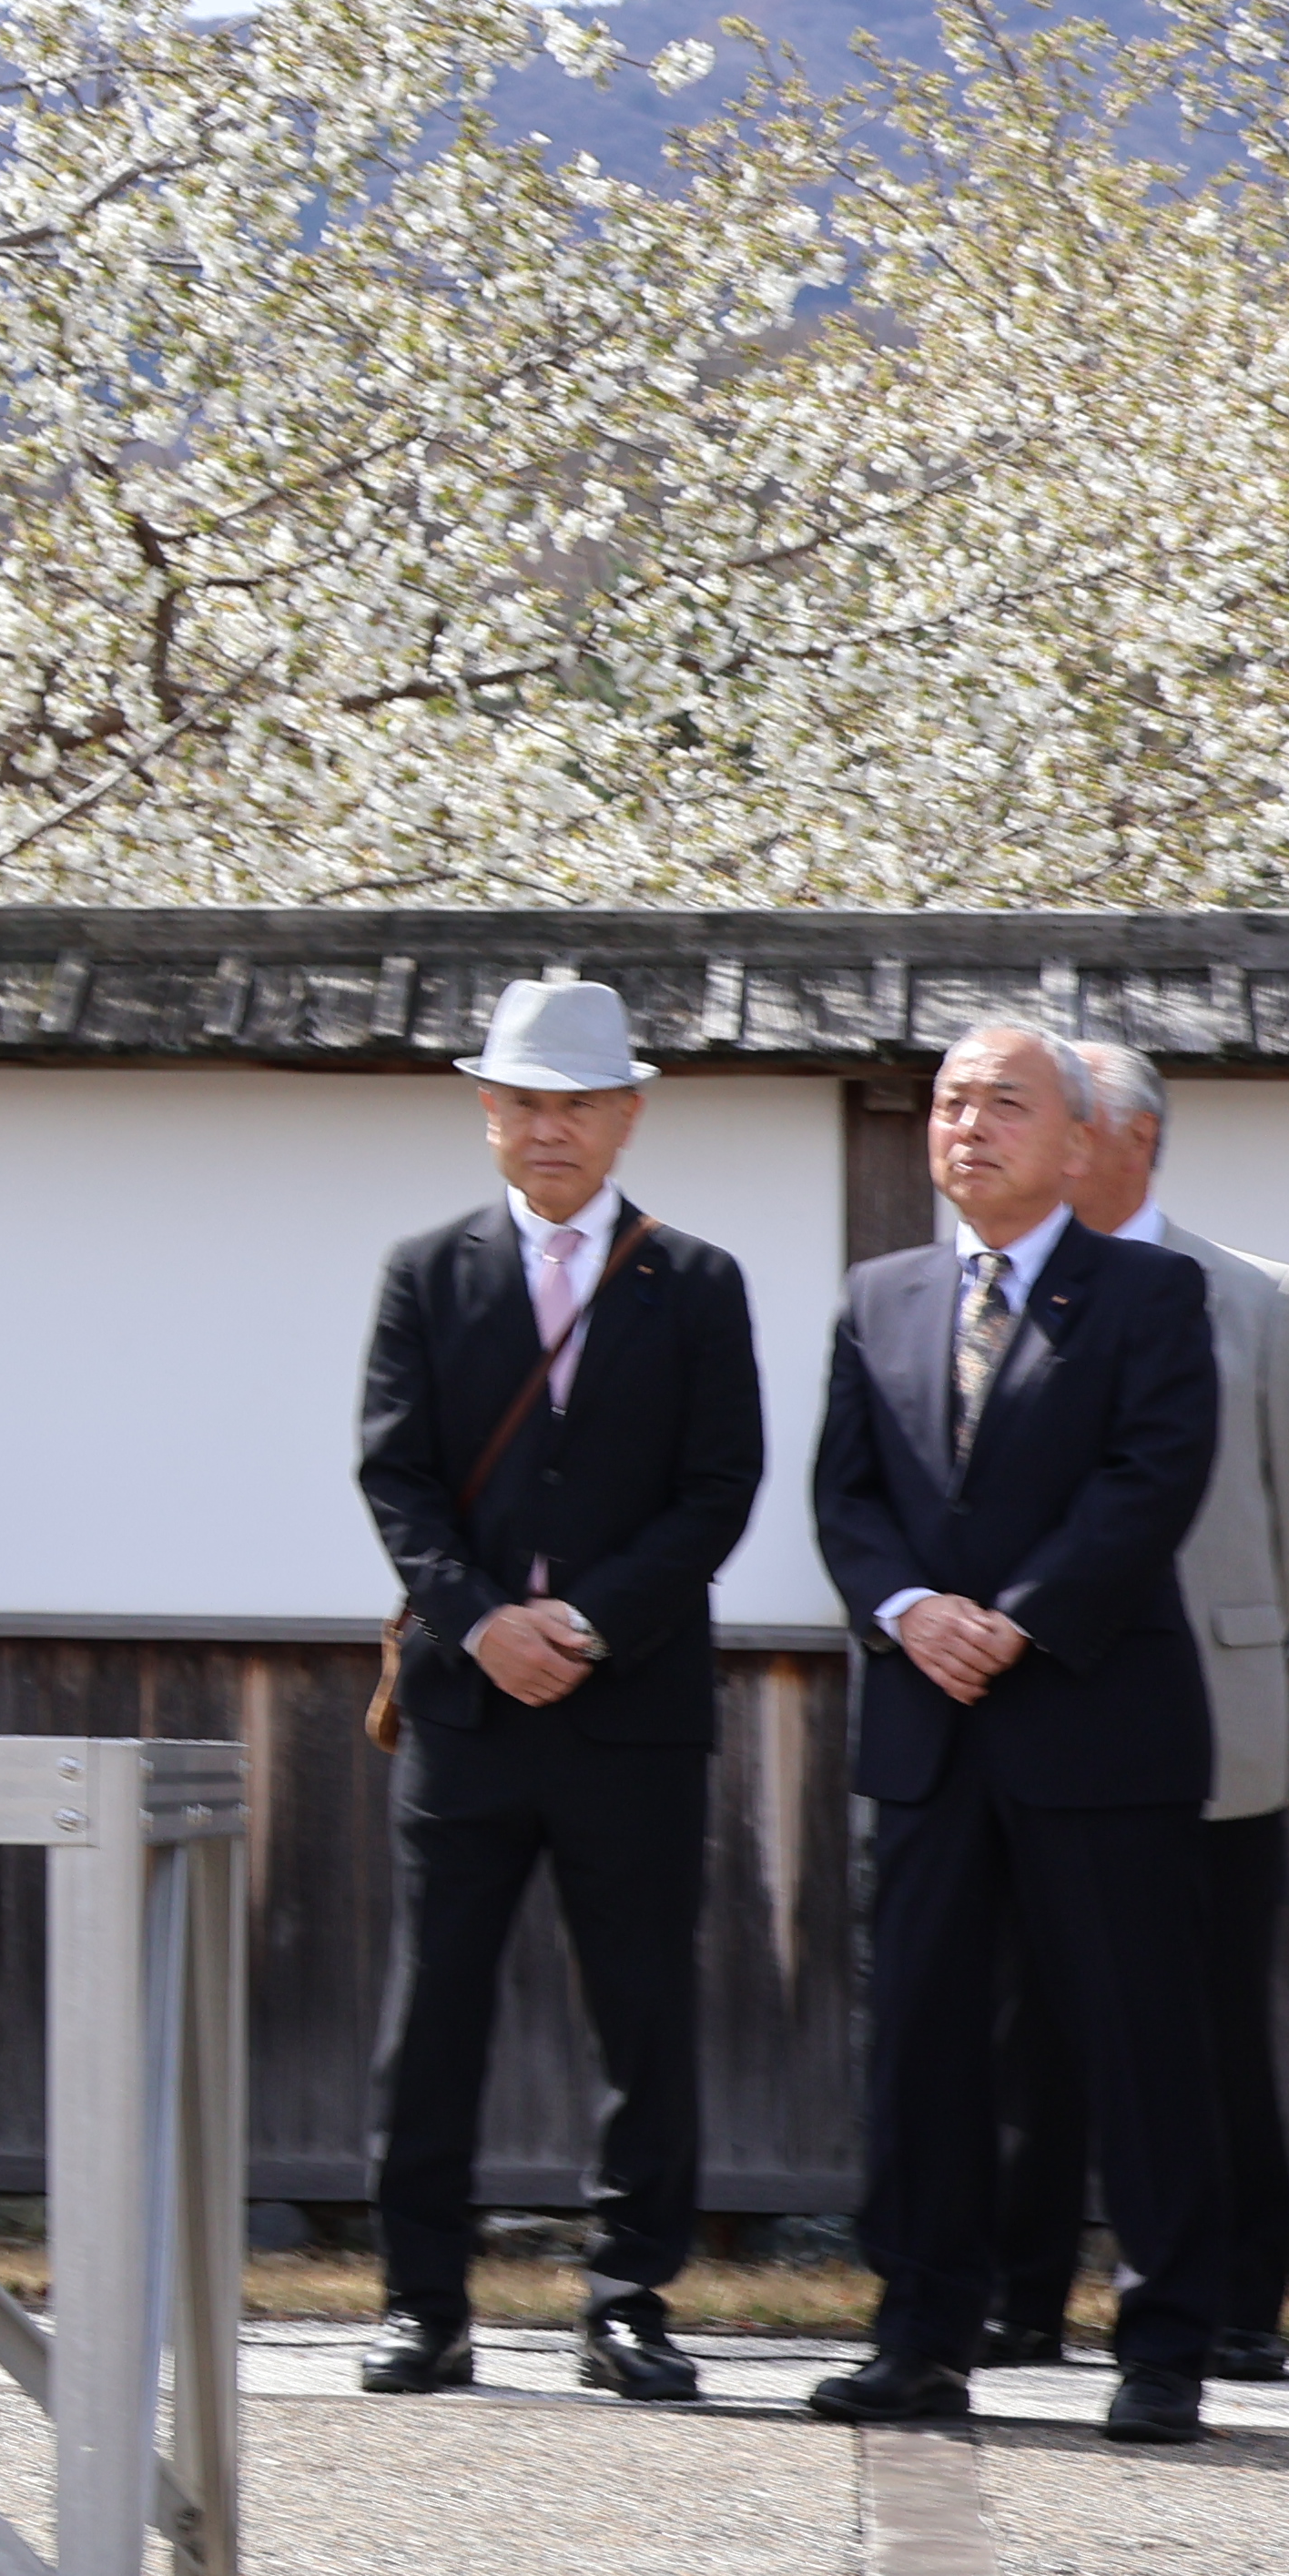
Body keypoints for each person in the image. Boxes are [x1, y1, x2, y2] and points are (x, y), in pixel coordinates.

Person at [805, 1024, 1225, 2444]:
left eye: (1003, 1103)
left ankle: (1163, 2342)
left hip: (1095, 1719)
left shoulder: (1151, 1292)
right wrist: (911, 1608)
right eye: (950, 1103)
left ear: (1078, 1138)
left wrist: (1022, 1618)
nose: (969, 1126)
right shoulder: (881, 1296)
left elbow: (1152, 1478)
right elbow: (845, 1496)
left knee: (1137, 2040)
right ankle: (920, 2333)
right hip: (928, 1727)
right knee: (922, 2042)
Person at [345, 978, 762, 2405]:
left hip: (631, 1705)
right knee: (433, 2010)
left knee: (642, 2010)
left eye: (577, 1105)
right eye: (523, 1103)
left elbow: (720, 1487)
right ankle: (422, 2302)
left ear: (627, 1115)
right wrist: (481, 1626)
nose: (549, 1130)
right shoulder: (428, 1272)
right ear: (487, 1114)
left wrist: (585, 1623)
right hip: (467, 1709)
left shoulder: (694, 1282)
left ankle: (630, 2299)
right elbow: (395, 1476)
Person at [984, 1042, 1289, 2378]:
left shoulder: (1252, 1295)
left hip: (1204, 1698)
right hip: (1027, 1698)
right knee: (1026, 2009)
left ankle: (1238, 2294)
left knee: (1204, 2008)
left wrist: (1239, 1624)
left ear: (1126, 1138)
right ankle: (1020, 2290)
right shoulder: (997, 1291)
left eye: (1061, 1118)